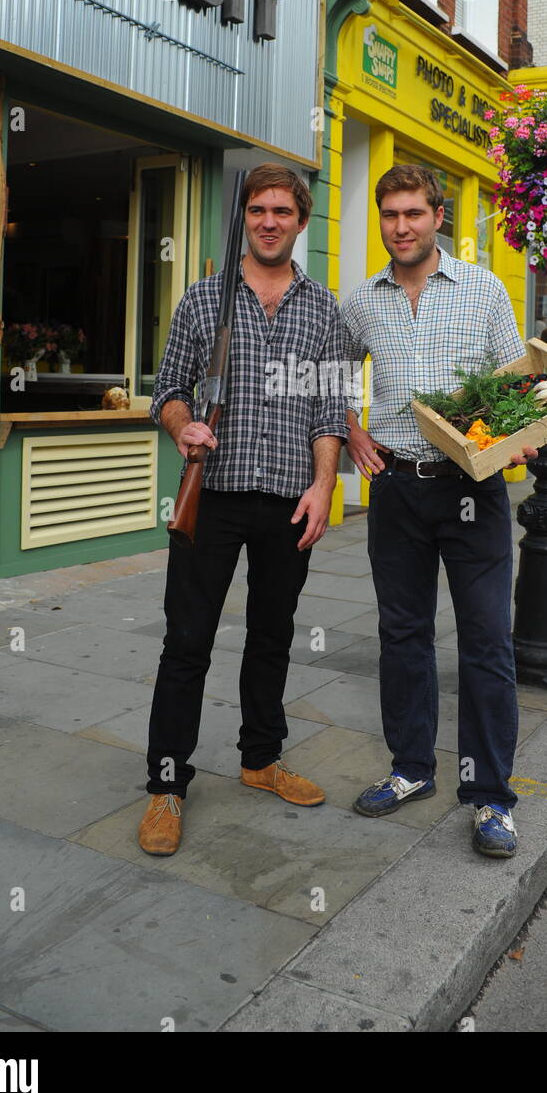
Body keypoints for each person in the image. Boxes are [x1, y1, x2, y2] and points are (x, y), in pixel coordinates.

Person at [138, 164, 348, 855]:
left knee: (271, 636)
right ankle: (167, 785)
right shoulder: (204, 301)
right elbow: (166, 389)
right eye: (257, 209)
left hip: (288, 499)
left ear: (300, 220)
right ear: (245, 219)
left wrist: (323, 488)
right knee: (187, 643)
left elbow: (327, 411)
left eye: (281, 211)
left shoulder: (323, 309)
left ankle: (260, 759)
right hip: (214, 497)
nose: (267, 220)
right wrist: (181, 426)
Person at [340, 164, 538, 859]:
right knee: (402, 634)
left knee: (485, 641)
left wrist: (515, 443)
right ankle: (410, 769)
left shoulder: (482, 289)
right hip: (395, 487)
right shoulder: (359, 300)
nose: (401, 227)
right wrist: (351, 429)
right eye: (390, 215)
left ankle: (490, 799)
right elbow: (333, 373)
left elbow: (519, 384)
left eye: (413, 214)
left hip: (470, 487)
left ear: (437, 216)